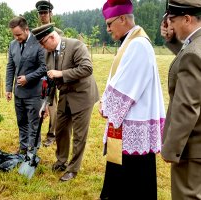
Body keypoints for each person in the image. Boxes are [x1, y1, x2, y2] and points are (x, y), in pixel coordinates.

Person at [99, 0, 165, 199]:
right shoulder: (130, 42)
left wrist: (105, 106)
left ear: (122, 19)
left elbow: (125, 89)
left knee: (133, 183)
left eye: (110, 23)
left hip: (132, 125)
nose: (108, 28)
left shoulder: (137, 45)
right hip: (126, 126)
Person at [32, 23, 99, 181]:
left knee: (79, 135)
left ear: (52, 37)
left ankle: (73, 169)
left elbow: (87, 68)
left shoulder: (76, 45)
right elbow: (51, 80)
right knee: (61, 129)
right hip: (65, 95)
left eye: (43, 43)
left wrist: (61, 73)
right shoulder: (48, 53)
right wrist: (45, 104)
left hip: (82, 95)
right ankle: (61, 161)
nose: (42, 47)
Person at [160, 1, 201, 199]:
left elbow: (187, 107)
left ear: (187, 18)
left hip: (193, 147)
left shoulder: (193, 54)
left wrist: (170, 149)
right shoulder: (195, 47)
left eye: (172, 20)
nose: (171, 26)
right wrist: (174, 42)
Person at [5, 16, 46, 155]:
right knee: (21, 122)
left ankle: (32, 151)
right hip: (19, 93)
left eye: (19, 34)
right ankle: (23, 148)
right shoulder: (13, 45)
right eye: (14, 35)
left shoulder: (39, 43)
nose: (16, 38)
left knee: (34, 124)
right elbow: (10, 67)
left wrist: (28, 78)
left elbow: (44, 67)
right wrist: (8, 88)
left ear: (26, 30)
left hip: (34, 92)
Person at [35, 0, 63, 147]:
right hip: (38, 74)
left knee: (52, 104)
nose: (43, 15)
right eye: (41, 13)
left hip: (53, 73)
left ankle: (52, 134)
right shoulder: (34, 34)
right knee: (38, 105)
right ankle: (35, 134)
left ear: (51, 14)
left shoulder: (58, 33)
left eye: (45, 12)